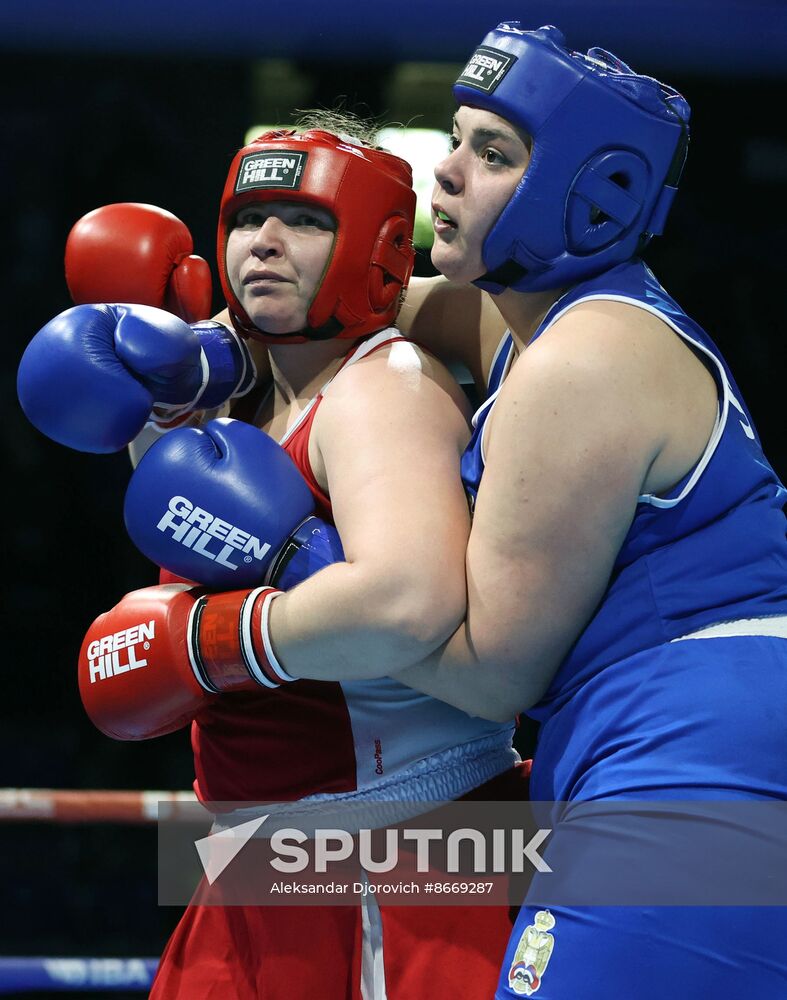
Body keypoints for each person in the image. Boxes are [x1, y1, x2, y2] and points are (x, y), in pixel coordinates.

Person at [18, 118, 528, 1000]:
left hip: (397, 851)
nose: (264, 242)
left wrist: (207, 643)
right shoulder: (236, 412)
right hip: (269, 857)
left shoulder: (380, 388)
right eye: (249, 216)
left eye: (304, 218)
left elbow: (409, 599)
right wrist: (158, 384)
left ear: (371, 247)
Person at [387, 22, 786, 998]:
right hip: (696, 765)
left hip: (699, 778)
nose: (445, 174)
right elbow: (382, 302)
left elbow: (491, 676)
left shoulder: (583, 362)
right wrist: (217, 339)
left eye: (492, 154)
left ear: (591, 190)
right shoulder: (550, 325)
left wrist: (298, 574)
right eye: (455, 139)